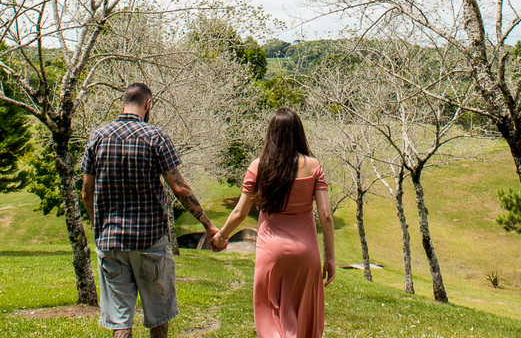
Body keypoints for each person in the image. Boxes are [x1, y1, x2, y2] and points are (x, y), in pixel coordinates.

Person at [82, 82, 221, 338]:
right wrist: (207, 224)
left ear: (121, 103)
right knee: (159, 316)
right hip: (150, 242)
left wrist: (97, 225)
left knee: (120, 320)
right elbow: (179, 188)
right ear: (148, 104)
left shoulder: (97, 137)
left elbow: (86, 193)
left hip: (111, 241)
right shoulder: (155, 137)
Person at [212, 107, 336, 338]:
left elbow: (240, 212)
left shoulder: (258, 166)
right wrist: (330, 257)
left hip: (271, 252)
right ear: (299, 133)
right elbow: (326, 214)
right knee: (303, 320)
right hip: (306, 254)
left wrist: (221, 236)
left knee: (272, 318)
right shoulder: (314, 166)